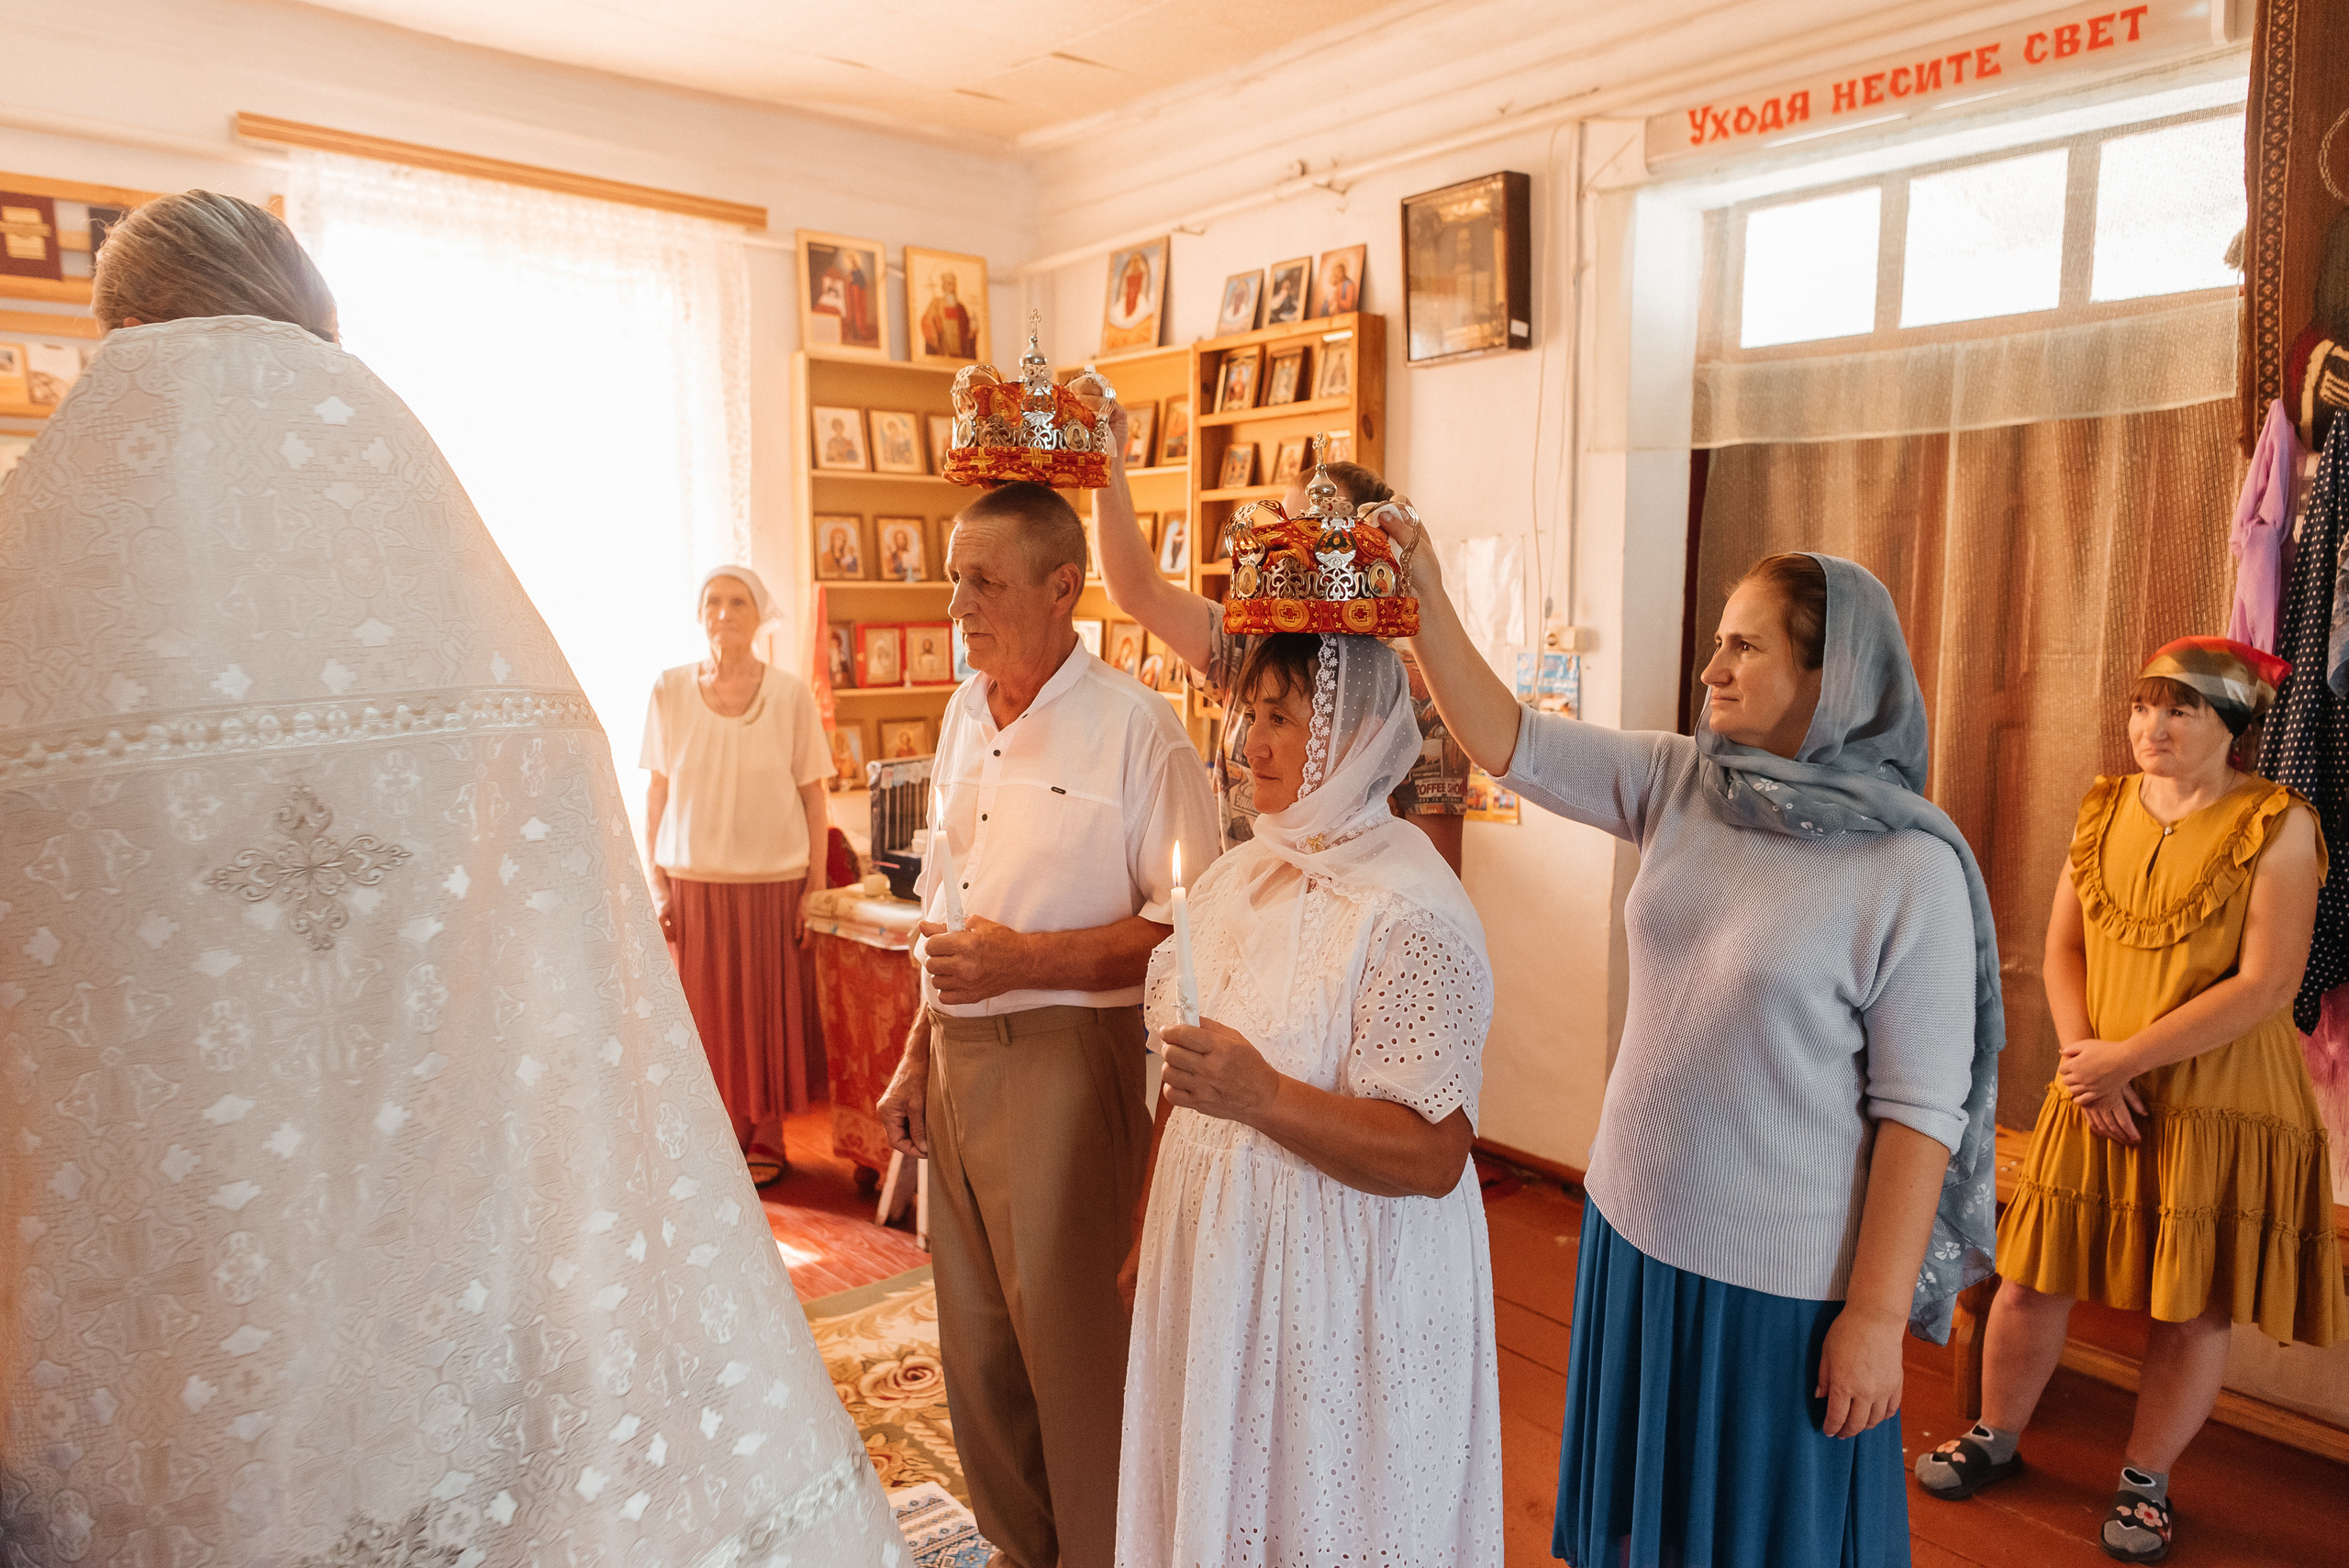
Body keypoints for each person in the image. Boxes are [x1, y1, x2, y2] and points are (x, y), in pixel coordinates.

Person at [0, 191, 901, 1562]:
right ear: (318, 328)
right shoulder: (419, 543)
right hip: (442, 1211)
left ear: (118, 333)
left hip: (169, 1253)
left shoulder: (46, 576)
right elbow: (554, 867)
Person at [1386, 530, 2001, 1567]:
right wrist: (1427, 599)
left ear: (1829, 675)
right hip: (1634, 1233)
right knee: (1644, 1532)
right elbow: (1510, 739)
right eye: (1717, 642)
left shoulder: (1909, 870)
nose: (1711, 669)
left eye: (1745, 648)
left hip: (1777, 1288)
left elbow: (1919, 1114)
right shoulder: (1684, 782)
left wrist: (1875, 1314)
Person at [1918, 638, 2341, 1562]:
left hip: (2218, 1091)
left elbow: (2269, 985)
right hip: (2096, 1077)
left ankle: (2146, 1483)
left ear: (2230, 728)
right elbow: (2061, 946)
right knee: (2030, 1274)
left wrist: (2124, 1063)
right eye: (2142, 706)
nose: (2152, 725)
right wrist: (2083, 1060)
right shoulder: (2103, 803)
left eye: (2179, 709)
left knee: (2189, 1304)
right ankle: (1995, 1433)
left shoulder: (2279, 822)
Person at [874, 481, 1217, 1568]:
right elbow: (945, 896)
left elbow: (1191, 928)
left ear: (1063, 585)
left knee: (1075, 1363)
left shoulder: (1137, 728)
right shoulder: (963, 710)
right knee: (978, 1359)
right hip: (958, 1060)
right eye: (953, 578)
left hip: (1073, 1062)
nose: (956, 605)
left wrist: (1030, 961)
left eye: (982, 580)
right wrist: (914, 1054)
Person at [1116, 631, 1503, 1564]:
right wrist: (1143, 1230)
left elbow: (1432, 1155)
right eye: (1249, 713)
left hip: (1344, 1293)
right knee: (1223, 1491)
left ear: (1359, 731)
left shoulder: (1406, 910)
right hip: (1222, 1266)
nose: (1252, 742)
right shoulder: (1229, 881)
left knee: (1325, 1513)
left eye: (1282, 717)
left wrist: (1265, 1097)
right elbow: (1191, 1074)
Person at [1095, 411, 1469, 870]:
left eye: (1315, 530)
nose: (1290, 549)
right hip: (1245, 899)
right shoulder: (1251, 646)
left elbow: (1437, 869)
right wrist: (1107, 456)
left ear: (1366, 547)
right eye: (1282, 530)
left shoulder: (1413, 688)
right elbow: (1135, 590)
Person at [642, 566, 835, 1184]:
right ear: (700, 614)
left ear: (759, 616)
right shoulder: (668, 690)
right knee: (707, 1018)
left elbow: (814, 797)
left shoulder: (789, 694)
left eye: (738, 602)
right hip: (695, 884)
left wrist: (815, 888)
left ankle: (767, 1136)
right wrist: (657, 881)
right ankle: (714, 1136)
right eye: (714, 602)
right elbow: (657, 794)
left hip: (774, 882)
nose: (724, 612)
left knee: (766, 1014)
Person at [922, 269, 976, 359]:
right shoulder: (936, 304)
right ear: (943, 286)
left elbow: (967, 331)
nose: (952, 288)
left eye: (954, 284)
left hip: (959, 355)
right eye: (949, 284)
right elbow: (926, 322)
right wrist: (935, 328)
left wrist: (972, 331)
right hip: (943, 350)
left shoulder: (961, 308)